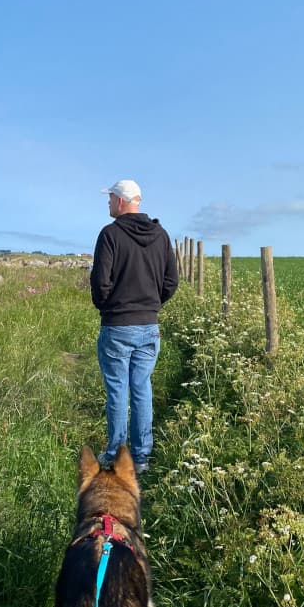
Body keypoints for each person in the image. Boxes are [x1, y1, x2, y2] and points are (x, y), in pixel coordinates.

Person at [90, 179, 178, 472]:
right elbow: (171, 281)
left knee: (118, 390)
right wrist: (152, 306)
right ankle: (140, 458)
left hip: (117, 325)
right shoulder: (161, 235)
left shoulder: (110, 234)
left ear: (120, 200)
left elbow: (100, 282)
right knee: (142, 388)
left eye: (110, 198)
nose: (108, 203)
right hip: (148, 325)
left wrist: (107, 307)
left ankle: (116, 454)